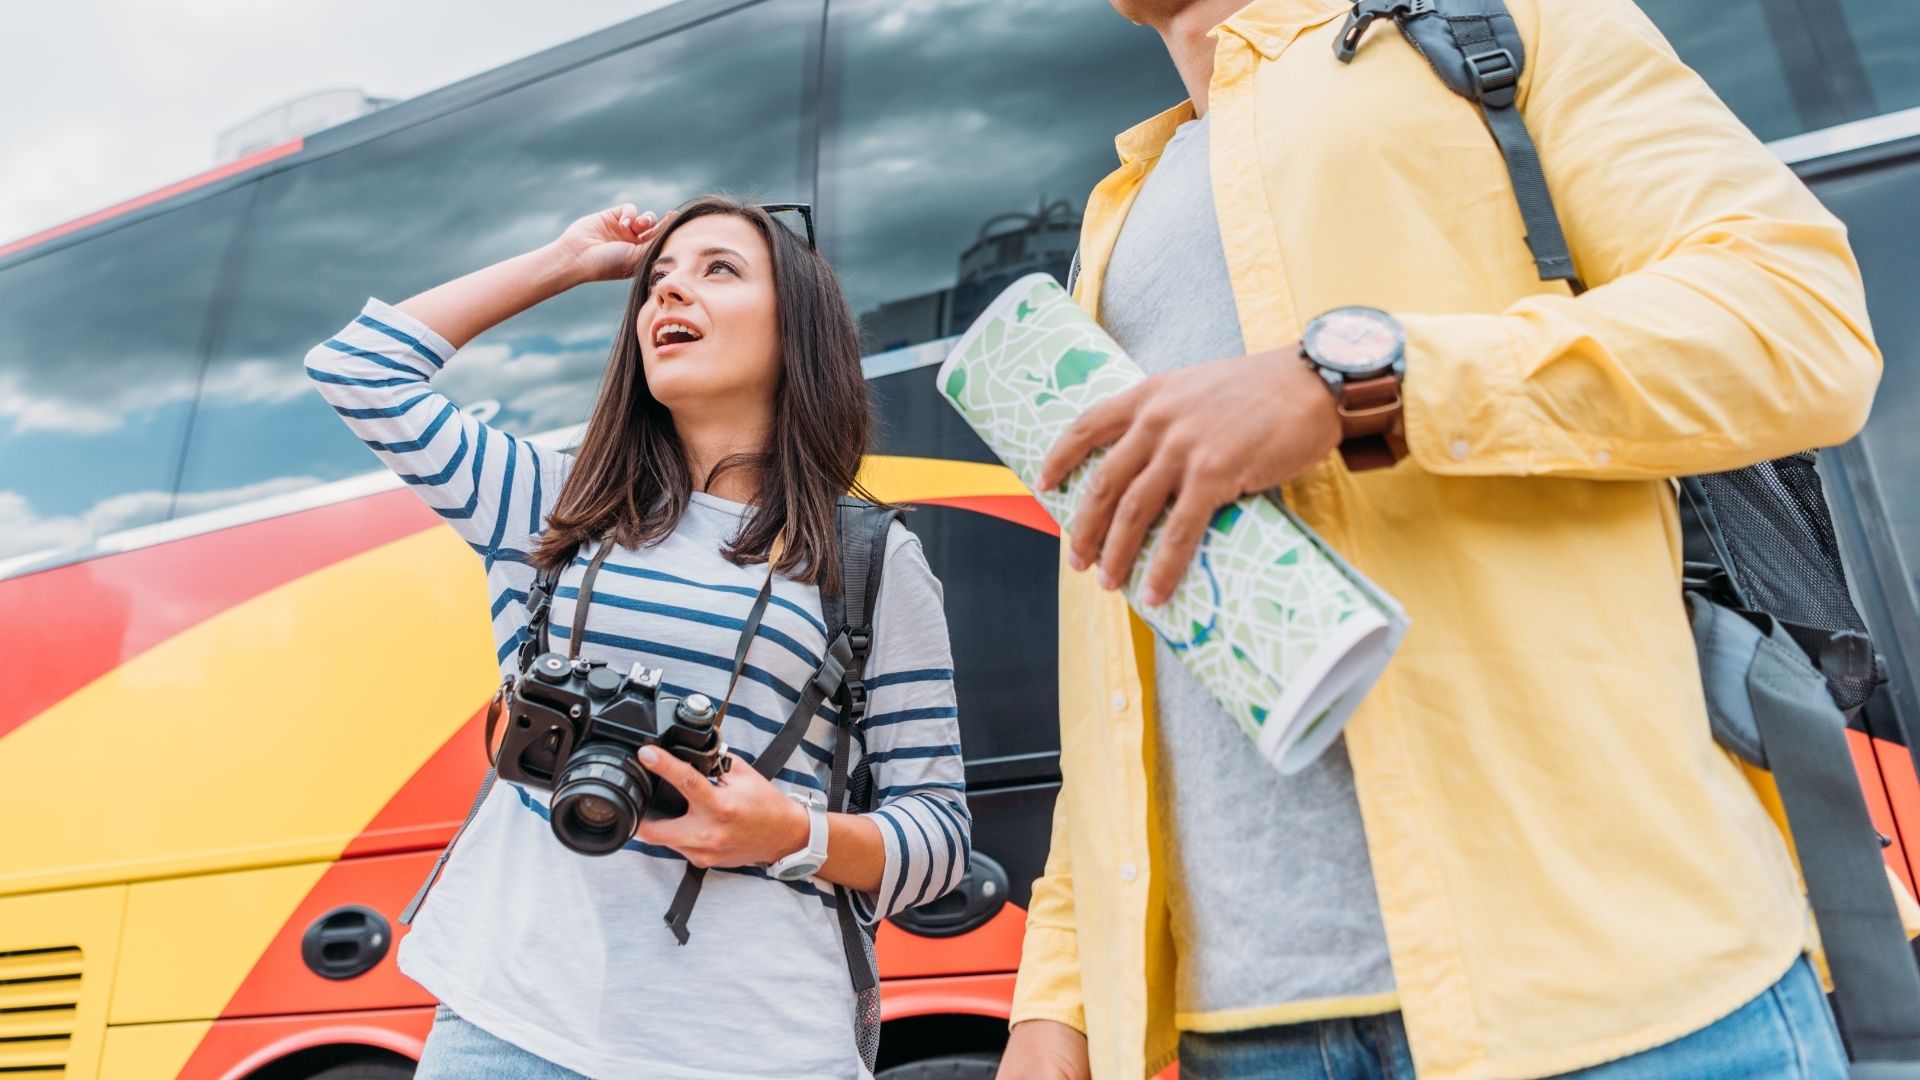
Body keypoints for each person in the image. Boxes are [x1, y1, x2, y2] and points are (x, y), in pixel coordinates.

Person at [997, 1, 1882, 1078]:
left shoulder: (1510, 23)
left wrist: (1356, 382)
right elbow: (1125, 683)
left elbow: (1800, 321)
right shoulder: (1112, 228)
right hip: (1251, 1042)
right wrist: (1059, 1000)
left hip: (1620, 1000)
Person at [304, 195, 969, 1079]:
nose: (668, 295)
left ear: (798, 327)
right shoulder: (549, 504)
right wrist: (568, 260)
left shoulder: (872, 561)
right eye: (657, 280)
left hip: (762, 1049)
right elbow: (358, 367)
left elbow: (938, 840)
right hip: (510, 1029)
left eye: (717, 270)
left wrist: (787, 832)